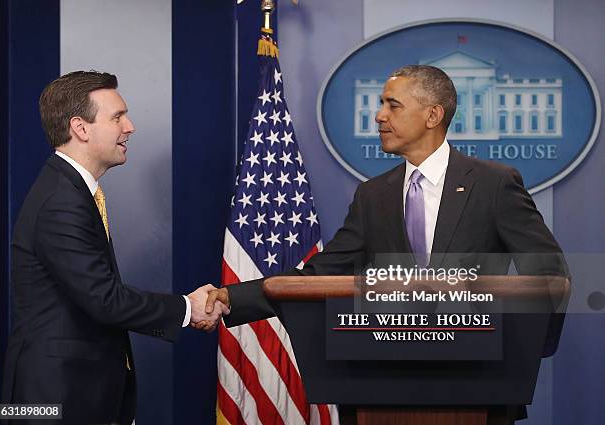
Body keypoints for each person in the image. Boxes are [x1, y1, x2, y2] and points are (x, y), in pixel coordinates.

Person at [203, 65, 569, 424]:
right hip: (380, 384)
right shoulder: (374, 194)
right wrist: (234, 298)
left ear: (432, 115)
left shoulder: (494, 184)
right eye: (381, 104)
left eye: (393, 105)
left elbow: (548, 274)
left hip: (479, 386)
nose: (379, 116)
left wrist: (526, 350)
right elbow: (320, 273)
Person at [1, 71, 226, 425]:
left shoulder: (70, 191)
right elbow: (104, 300)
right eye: (117, 116)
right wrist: (188, 308)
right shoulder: (62, 201)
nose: (130, 126)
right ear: (80, 128)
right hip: (54, 401)